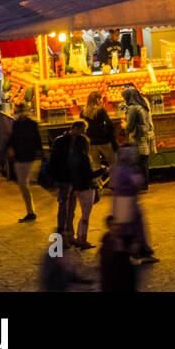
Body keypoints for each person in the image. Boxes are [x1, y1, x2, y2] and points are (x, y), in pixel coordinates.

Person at [108, 146, 155, 261]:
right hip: (129, 202)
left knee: (123, 228)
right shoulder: (129, 170)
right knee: (137, 227)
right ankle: (143, 252)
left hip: (118, 202)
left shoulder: (116, 168)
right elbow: (137, 183)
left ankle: (124, 252)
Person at [5, 103, 43, 222]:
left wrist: (39, 155)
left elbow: (37, 140)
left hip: (29, 157)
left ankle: (31, 212)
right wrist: (9, 148)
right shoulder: (16, 124)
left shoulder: (32, 124)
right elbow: (12, 138)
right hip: (20, 157)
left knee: (24, 184)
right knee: (23, 185)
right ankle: (30, 211)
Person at [81, 91, 117, 191]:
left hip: (91, 143)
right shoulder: (100, 110)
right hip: (103, 141)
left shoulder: (83, 111)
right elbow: (109, 123)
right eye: (101, 98)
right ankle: (113, 184)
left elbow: (81, 126)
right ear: (97, 100)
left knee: (95, 165)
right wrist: (108, 133)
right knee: (113, 162)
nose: (102, 100)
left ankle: (98, 185)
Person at [68, 122, 96, 250]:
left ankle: (80, 236)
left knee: (83, 213)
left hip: (78, 188)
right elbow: (89, 174)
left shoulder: (73, 157)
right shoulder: (84, 158)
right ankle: (82, 239)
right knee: (86, 214)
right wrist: (103, 171)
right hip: (86, 188)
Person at [121, 86, 154, 191]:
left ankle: (140, 185)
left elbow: (129, 126)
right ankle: (144, 184)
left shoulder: (133, 108)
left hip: (138, 137)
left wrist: (123, 124)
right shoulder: (143, 104)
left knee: (138, 162)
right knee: (144, 162)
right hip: (146, 135)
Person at [98, 218, 137, 292]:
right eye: (114, 225)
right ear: (108, 226)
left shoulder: (119, 241)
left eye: (118, 225)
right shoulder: (107, 246)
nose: (117, 227)